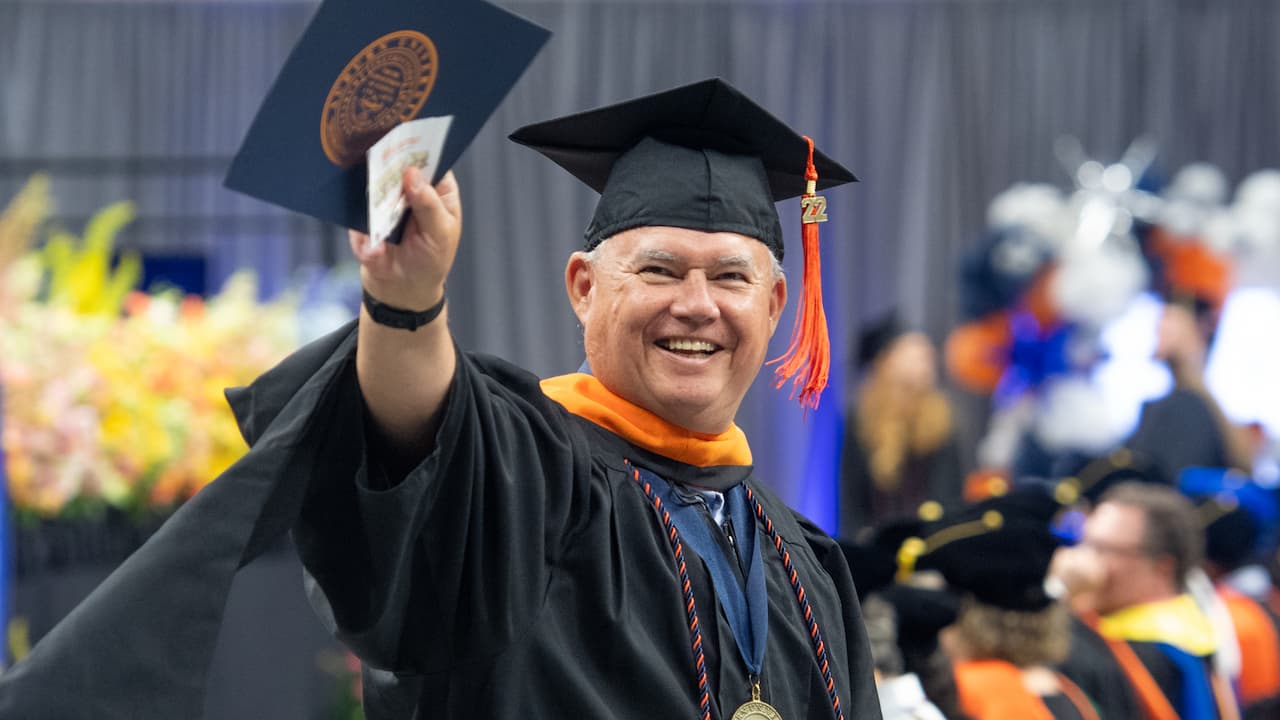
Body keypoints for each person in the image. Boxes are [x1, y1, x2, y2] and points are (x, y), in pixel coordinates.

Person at [293, 78, 881, 718]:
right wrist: (405, 299)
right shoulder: (521, 488)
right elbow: (416, 441)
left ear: (772, 307)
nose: (697, 305)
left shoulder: (804, 561)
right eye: (659, 270)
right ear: (583, 287)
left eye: (730, 277)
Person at [1052, 482, 1240, 719]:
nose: (1084, 561)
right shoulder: (1199, 625)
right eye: (1084, 543)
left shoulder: (1151, 651)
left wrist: (1062, 596)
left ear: (1163, 567)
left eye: (1103, 549)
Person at [839, 313, 964, 537]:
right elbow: (851, 502)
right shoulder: (861, 422)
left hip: (930, 546)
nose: (926, 358)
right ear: (887, 361)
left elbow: (950, 498)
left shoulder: (942, 422)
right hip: (875, 550)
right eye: (914, 353)